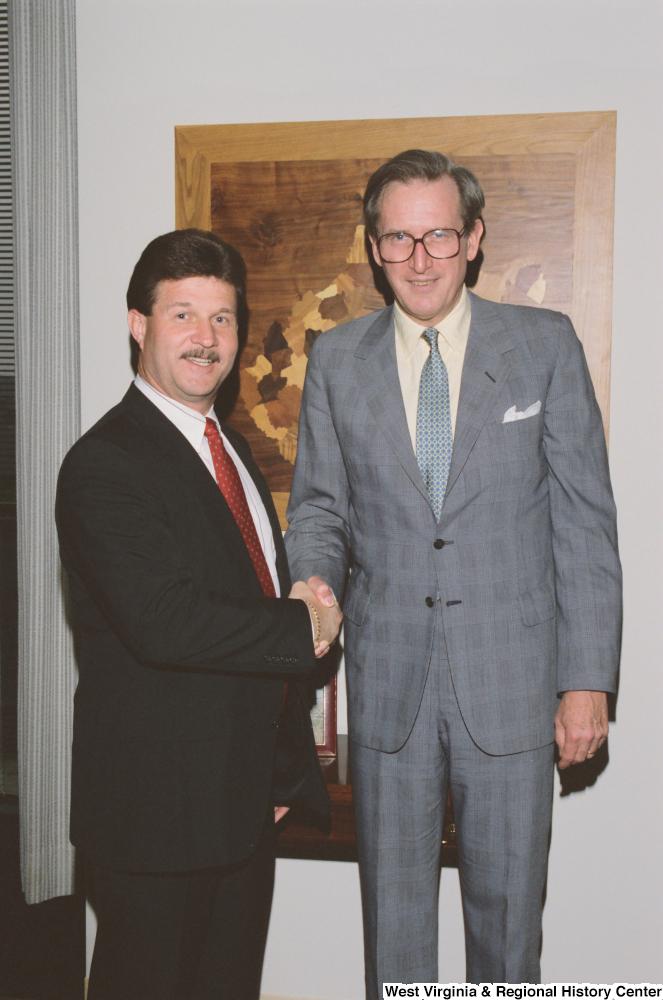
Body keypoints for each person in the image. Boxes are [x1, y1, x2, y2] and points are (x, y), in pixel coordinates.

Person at [285, 150, 622, 994]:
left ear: (473, 239)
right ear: (373, 248)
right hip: (390, 688)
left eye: (438, 234)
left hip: (512, 687)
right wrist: (313, 587)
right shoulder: (336, 360)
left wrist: (586, 682)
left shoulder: (542, 346)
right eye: (397, 238)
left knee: (507, 936)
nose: (419, 258)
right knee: (393, 938)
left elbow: (583, 523)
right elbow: (319, 508)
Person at [56, 228, 342, 1000]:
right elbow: (165, 621)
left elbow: (247, 596)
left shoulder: (232, 447)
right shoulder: (104, 463)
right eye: (182, 314)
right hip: (153, 820)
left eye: (221, 319)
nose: (205, 339)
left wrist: (279, 767)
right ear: (137, 325)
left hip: (241, 811)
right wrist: (305, 626)